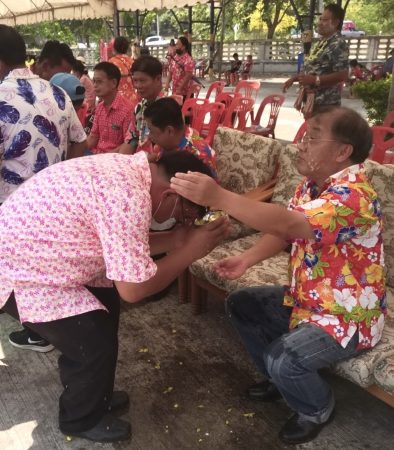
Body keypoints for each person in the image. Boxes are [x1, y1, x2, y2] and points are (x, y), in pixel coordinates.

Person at [170, 106, 385, 445]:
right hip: (308, 301)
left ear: (343, 151)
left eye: (312, 137)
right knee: (242, 304)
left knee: (283, 359)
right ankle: (281, 379)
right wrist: (245, 259)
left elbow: (288, 223)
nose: (301, 144)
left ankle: (316, 408)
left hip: (348, 315)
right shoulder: (313, 185)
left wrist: (220, 197)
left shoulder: (353, 196)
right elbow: (287, 230)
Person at [0, 149, 229, 443]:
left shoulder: (131, 173)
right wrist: (190, 252)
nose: (183, 223)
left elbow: (125, 242)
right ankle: (80, 418)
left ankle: (96, 396)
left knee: (106, 310)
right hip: (22, 271)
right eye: (185, 216)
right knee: (90, 338)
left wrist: (177, 239)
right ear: (171, 196)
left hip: (45, 257)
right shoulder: (129, 196)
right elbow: (134, 290)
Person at [0, 26, 87, 352]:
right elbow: (80, 140)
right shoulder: (57, 92)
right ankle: (45, 331)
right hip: (55, 206)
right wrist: (60, 179)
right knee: (46, 272)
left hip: (15, 211)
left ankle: (42, 330)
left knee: (24, 276)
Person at [283, 4, 349, 116]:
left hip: (326, 104)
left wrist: (315, 80)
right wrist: (295, 78)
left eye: (325, 20)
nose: (320, 23)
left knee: (320, 133)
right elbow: (314, 68)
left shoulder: (338, 43)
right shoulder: (322, 41)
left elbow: (343, 75)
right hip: (312, 101)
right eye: (320, 19)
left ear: (336, 22)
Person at [143, 97, 217, 179]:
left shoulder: (196, 156)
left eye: (151, 130)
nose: (149, 136)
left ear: (169, 131)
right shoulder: (172, 140)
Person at [118, 56, 165, 155]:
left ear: (158, 79)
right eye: (135, 81)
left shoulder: (169, 108)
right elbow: (131, 139)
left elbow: (165, 152)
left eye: (142, 81)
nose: (138, 86)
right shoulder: (139, 108)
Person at [86, 62, 133, 154]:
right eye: (94, 81)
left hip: (115, 160)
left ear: (113, 83)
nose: (94, 85)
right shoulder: (99, 107)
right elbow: (93, 137)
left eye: (99, 81)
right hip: (96, 155)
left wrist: (105, 157)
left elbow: (128, 144)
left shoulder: (127, 110)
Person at [109, 36, 138, 104]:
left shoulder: (111, 62)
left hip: (117, 99)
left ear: (114, 47)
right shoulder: (132, 62)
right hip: (133, 98)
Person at [165, 36, 195, 100]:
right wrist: (167, 84)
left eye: (178, 44)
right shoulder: (175, 57)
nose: (176, 46)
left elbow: (188, 76)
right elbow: (170, 72)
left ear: (183, 47)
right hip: (176, 91)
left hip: (185, 93)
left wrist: (180, 89)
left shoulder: (188, 60)